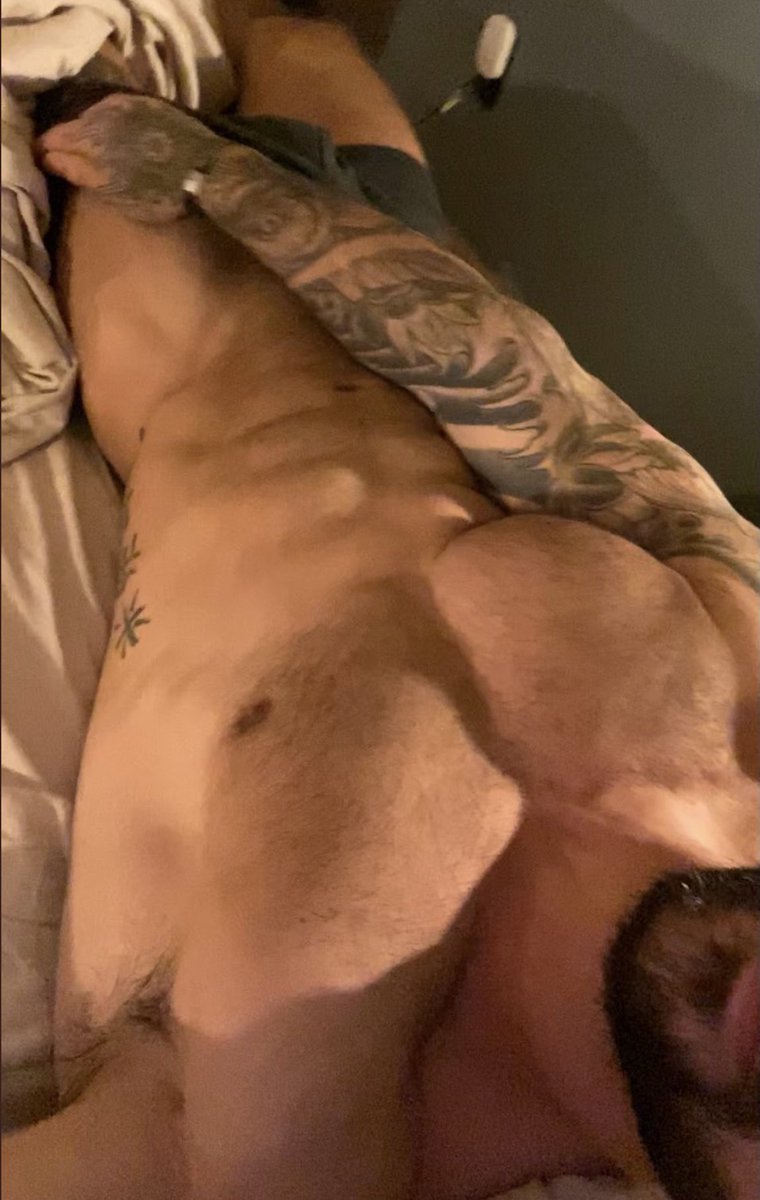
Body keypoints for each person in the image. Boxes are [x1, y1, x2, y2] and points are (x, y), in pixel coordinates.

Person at [4, 5, 758, 1199]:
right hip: (392, 252)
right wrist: (228, 176)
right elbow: (591, 443)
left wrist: (186, 176)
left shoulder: (287, 1129)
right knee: (299, 31)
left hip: (168, 287)